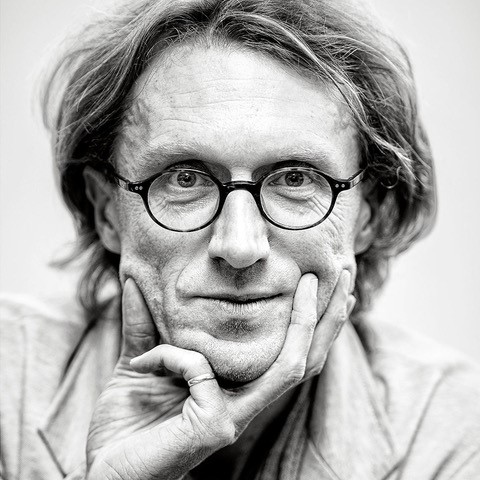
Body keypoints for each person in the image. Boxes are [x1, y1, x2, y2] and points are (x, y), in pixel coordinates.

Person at [1, 0, 479, 478]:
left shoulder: (455, 430)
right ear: (107, 210)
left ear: (368, 213)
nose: (239, 246)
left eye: (295, 179)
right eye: (184, 178)